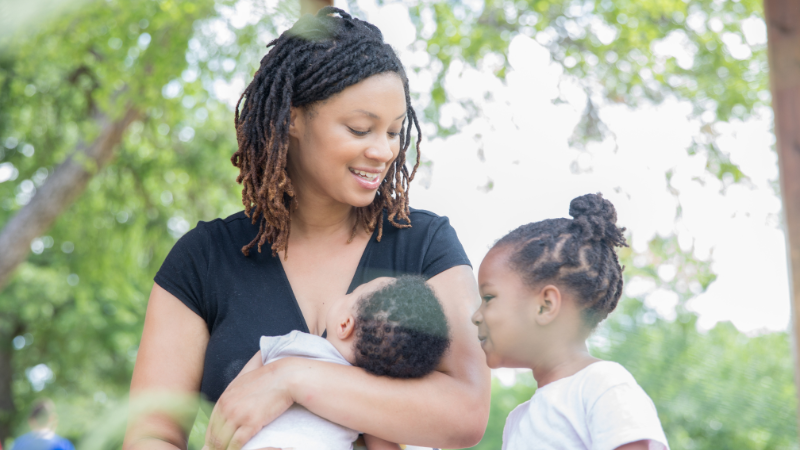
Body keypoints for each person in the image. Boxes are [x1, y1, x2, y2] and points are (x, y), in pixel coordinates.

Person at [123, 7, 490, 450]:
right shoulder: (202, 260)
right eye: (360, 129)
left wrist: (290, 377)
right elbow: (151, 435)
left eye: (394, 132)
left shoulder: (425, 245)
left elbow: (466, 412)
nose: (383, 151)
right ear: (292, 118)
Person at [472, 193, 669, 450]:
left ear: (545, 306)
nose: (476, 316)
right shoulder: (517, 420)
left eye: (488, 298)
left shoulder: (603, 387)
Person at [239, 275, 450, 450]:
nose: (346, 294)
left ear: (345, 324)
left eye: (352, 293)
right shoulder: (365, 398)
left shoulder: (291, 342)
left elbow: (237, 391)